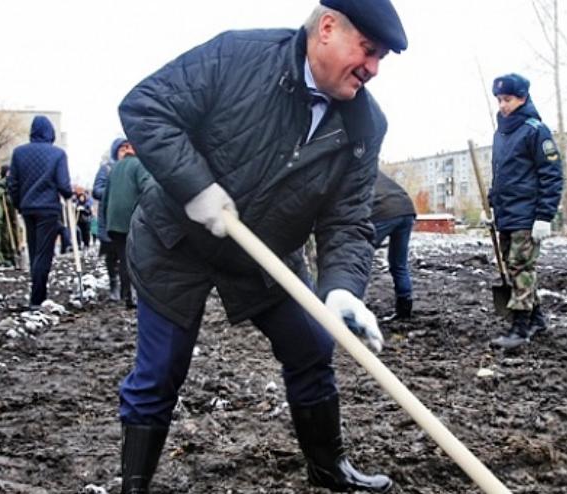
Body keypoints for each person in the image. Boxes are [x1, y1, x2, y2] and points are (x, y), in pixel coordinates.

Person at [115, 1, 406, 492]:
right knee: (160, 370)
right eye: (369, 50)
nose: (374, 69)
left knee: (313, 347)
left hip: (265, 253)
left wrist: (341, 290)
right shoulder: (238, 57)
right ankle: (134, 485)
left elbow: (349, 220)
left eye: (381, 59)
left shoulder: (364, 126)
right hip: (177, 241)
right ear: (328, 29)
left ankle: (327, 468)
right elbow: (145, 107)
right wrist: (196, 187)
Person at [487, 73, 563, 350]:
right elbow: (501, 175)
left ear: (522, 97)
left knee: (520, 267)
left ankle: (519, 328)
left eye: (507, 99)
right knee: (515, 267)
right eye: (499, 99)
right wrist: (492, 203)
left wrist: (544, 215)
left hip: (527, 215)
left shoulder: (535, 131)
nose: (502, 105)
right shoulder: (501, 133)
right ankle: (537, 319)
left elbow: (552, 175)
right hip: (507, 214)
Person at [7, 115, 72, 310]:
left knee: (35, 251)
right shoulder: (58, 154)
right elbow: (64, 186)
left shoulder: (18, 153)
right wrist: (67, 194)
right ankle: (37, 298)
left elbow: (13, 184)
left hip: (28, 208)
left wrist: (19, 204)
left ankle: (38, 294)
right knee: (44, 254)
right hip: (48, 209)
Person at [104, 140, 152, 309]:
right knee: (136, 258)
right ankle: (135, 295)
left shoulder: (113, 169)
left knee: (124, 259)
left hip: (114, 222)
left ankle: (126, 294)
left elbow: (105, 197)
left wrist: (104, 225)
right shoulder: (139, 165)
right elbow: (148, 187)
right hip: (131, 218)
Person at [370, 170, 416, 320]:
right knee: (399, 263)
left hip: (385, 211)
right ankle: (404, 310)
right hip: (406, 209)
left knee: (358, 257)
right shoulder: (372, 169)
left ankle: (351, 304)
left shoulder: (354, 171)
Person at [93, 138, 129, 301]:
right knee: (112, 253)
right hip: (109, 218)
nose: (126, 151)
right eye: (122, 149)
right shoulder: (107, 169)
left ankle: (127, 287)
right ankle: (114, 283)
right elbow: (97, 190)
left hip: (128, 218)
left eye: (128, 148)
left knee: (128, 255)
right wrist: (114, 191)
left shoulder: (134, 168)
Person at [72, 186, 94, 251]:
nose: (81, 198)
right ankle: (79, 244)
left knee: (86, 234)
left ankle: (86, 245)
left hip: (86, 221)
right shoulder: (77, 204)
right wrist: (76, 208)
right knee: (78, 232)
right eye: (80, 197)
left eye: (82, 197)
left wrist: (84, 210)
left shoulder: (87, 204)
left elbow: (89, 212)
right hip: (79, 221)